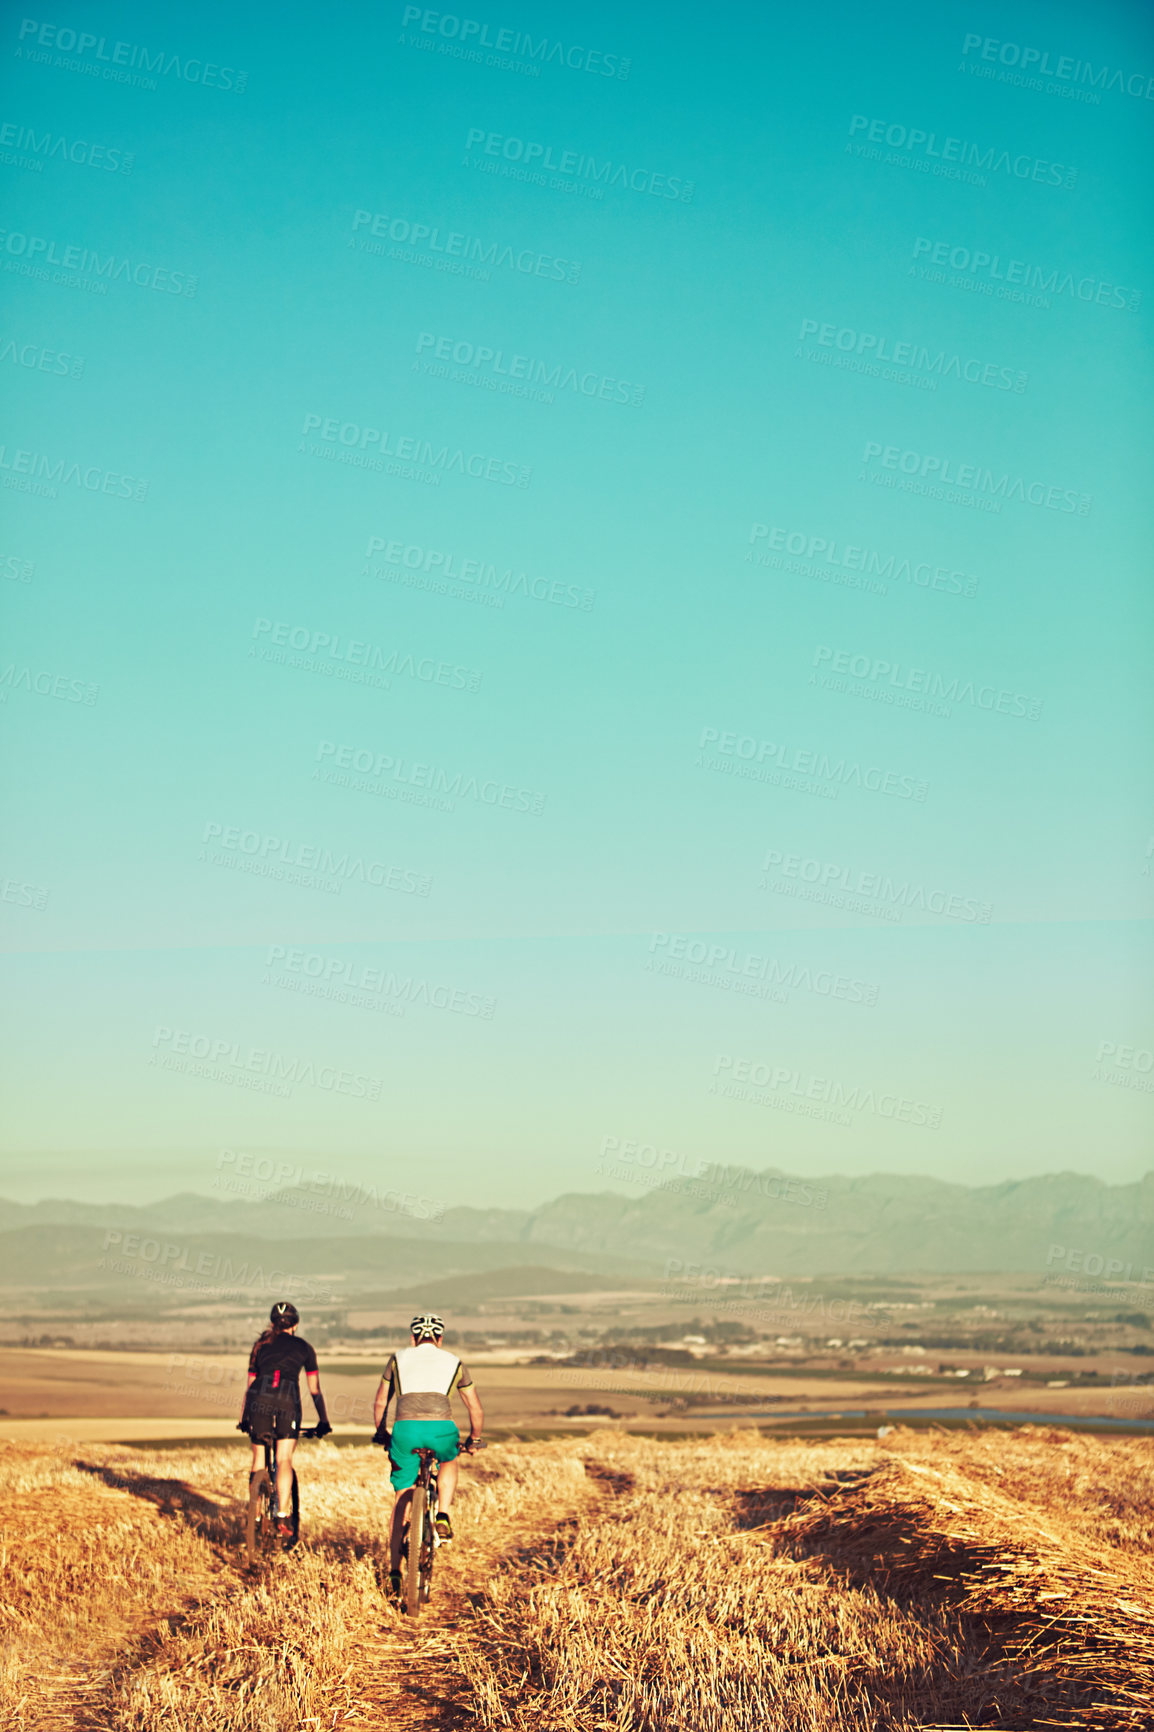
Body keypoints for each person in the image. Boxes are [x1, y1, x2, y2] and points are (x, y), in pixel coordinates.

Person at [373, 1312, 484, 1595]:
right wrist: (474, 1438)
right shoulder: (454, 1362)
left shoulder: (397, 1358)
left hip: (405, 1429)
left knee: (401, 1500)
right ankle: (443, 1515)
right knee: (449, 1458)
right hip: (440, 1429)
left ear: (412, 1338)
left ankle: (395, 1571)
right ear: (440, 1339)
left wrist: (381, 1432)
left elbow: (379, 1402)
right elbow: (474, 1407)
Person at [239, 1300, 331, 1545]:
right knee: (284, 1459)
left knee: (258, 1459)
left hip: (259, 1398)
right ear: (296, 1324)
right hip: (287, 1400)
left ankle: (255, 1515)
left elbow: (249, 1386)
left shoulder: (260, 1346)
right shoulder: (304, 1347)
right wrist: (323, 1420)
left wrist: (243, 1418)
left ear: (272, 1323)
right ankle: (281, 1517)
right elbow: (314, 1390)